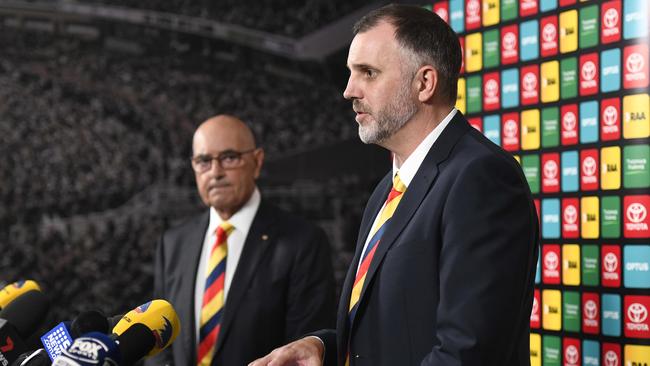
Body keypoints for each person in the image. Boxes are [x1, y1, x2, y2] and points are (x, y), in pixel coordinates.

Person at [250, 4, 539, 366]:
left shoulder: (481, 178)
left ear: (425, 83)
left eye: (367, 73)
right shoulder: (389, 187)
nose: (348, 91)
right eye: (351, 73)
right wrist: (326, 347)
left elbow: (467, 354)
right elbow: (397, 331)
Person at [145, 115, 336, 366]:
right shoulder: (173, 244)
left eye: (229, 158)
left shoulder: (303, 242)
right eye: (203, 161)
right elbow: (160, 343)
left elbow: (305, 348)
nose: (215, 172)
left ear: (257, 162)